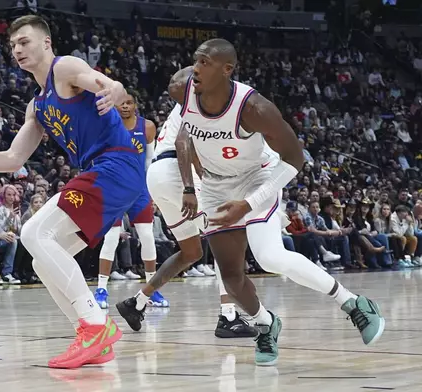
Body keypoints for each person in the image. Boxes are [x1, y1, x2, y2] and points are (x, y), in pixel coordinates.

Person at [117, 38, 384, 366]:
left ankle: (354, 303)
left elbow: (295, 158)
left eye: (205, 63)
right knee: (230, 274)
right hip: (215, 185)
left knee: (270, 256)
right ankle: (266, 324)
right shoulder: (184, 92)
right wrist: (192, 185)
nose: (195, 70)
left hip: (257, 178)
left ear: (228, 70)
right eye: (195, 62)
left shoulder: (255, 108)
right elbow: (184, 134)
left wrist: (249, 202)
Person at [0, 15, 143, 368]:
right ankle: (91, 337)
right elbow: (13, 158)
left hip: (115, 164)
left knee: (35, 231)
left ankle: (96, 325)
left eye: (24, 41)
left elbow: (109, 85)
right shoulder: (37, 105)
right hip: (106, 173)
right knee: (43, 256)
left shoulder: (65, 68)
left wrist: (115, 89)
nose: (17, 49)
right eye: (13, 45)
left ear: (46, 43)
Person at [117, 103, 256, 338]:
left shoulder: (193, 101)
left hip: (159, 175)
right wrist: (191, 187)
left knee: (191, 251)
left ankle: (137, 303)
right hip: (176, 171)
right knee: (226, 236)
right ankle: (228, 316)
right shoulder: (201, 101)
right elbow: (183, 141)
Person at [95, 91, 166, 308]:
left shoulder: (147, 127)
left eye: (129, 103)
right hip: (114, 187)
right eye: (121, 103)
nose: (125, 106)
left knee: (147, 236)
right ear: (114, 106)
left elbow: (149, 161)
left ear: (135, 105)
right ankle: (101, 290)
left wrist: (150, 190)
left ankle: (151, 289)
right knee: (111, 237)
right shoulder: (105, 126)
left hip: (138, 188)